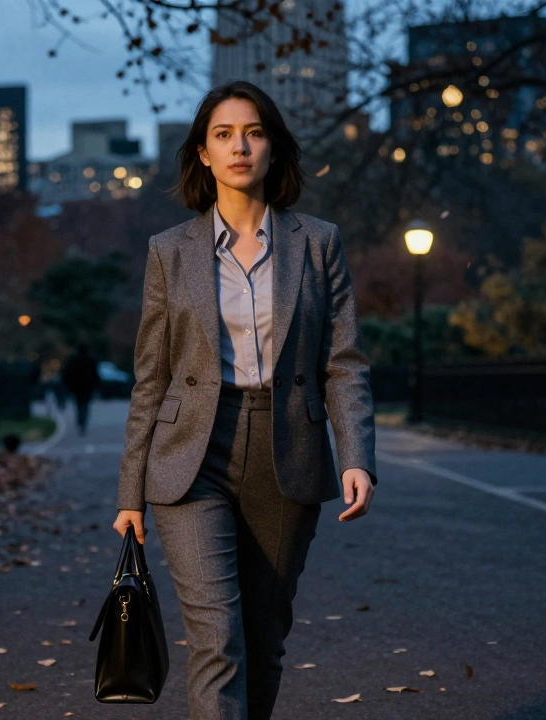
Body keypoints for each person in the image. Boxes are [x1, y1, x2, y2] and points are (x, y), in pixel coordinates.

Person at [112, 80, 377, 720]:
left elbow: (342, 364)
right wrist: (130, 494)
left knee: (263, 641)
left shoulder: (317, 243)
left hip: (288, 448)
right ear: (203, 153)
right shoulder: (169, 252)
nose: (239, 147)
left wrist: (357, 456)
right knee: (217, 642)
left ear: (273, 148)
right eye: (224, 135)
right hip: (190, 456)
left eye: (253, 133)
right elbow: (151, 377)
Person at [60, 343, 101, 436]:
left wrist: (68, 386)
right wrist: (96, 385)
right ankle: (82, 422)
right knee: (85, 405)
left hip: (77, 386)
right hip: (86, 386)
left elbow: (67, 373)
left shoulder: (73, 359)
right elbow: (95, 373)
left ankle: (80, 421)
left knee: (79, 405)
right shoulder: (91, 359)